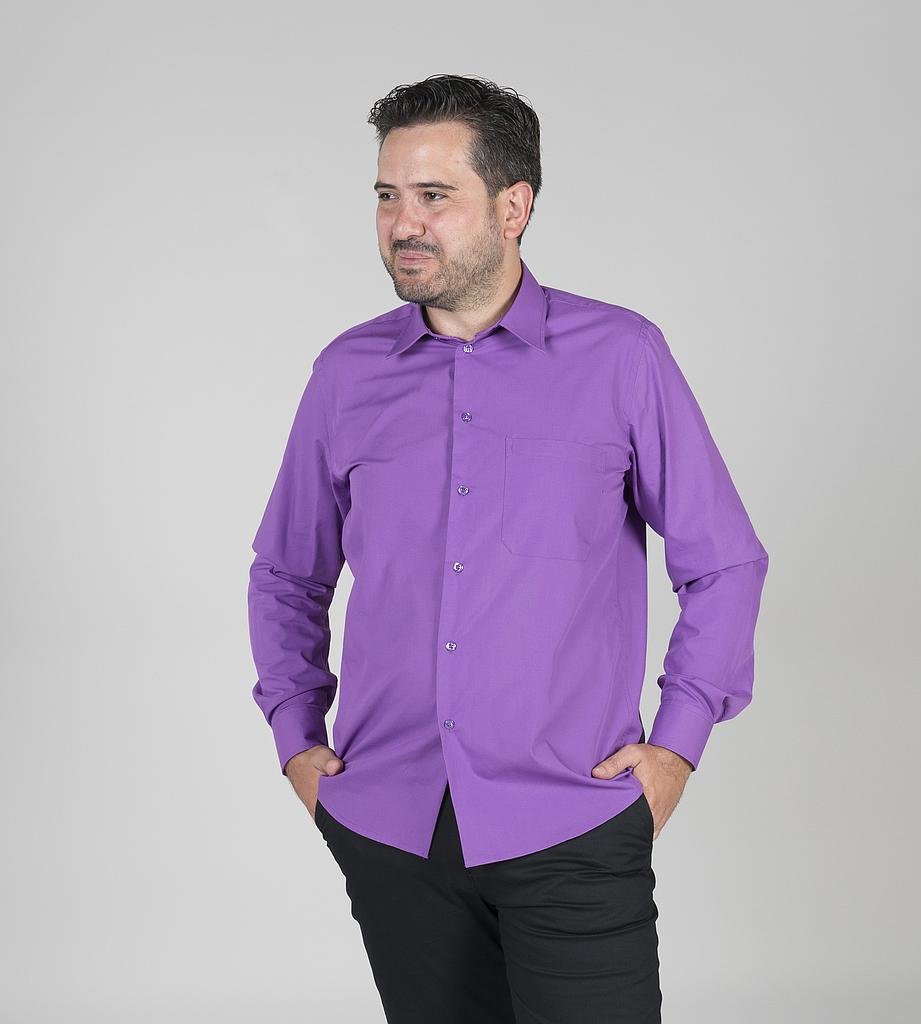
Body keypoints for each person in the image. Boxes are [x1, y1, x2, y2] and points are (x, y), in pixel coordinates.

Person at [247, 73, 769, 1024]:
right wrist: (297, 743)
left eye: (433, 195)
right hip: (392, 829)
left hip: (572, 821)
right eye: (387, 195)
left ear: (514, 206)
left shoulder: (621, 357)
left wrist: (675, 751)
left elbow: (724, 561)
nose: (403, 224)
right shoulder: (347, 372)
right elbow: (287, 571)